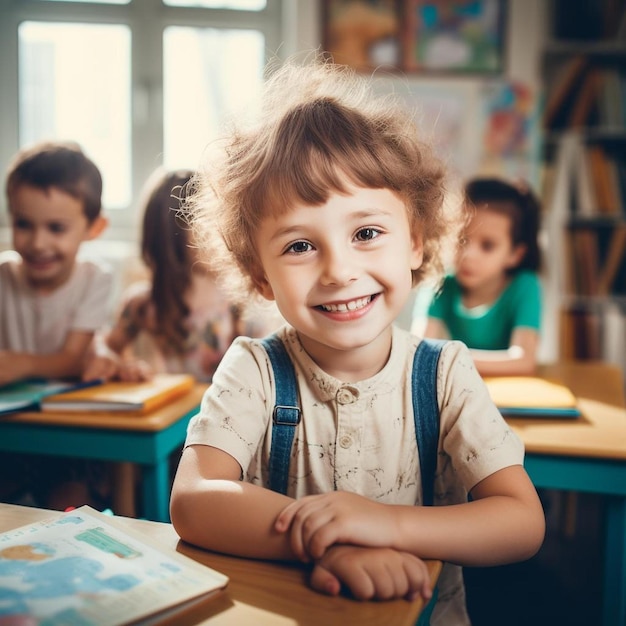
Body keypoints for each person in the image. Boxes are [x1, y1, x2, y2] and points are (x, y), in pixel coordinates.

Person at [169, 56, 545, 625]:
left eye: (366, 233)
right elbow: (194, 501)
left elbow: (521, 522)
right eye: (299, 245)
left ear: (416, 242)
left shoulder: (443, 374)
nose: (339, 270)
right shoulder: (255, 368)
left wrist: (386, 525)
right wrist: (332, 542)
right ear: (260, 274)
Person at [82, 167, 280, 385]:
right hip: (172, 413)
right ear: (171, 234)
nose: (225, 233)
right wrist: (122, 367)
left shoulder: (241, 301)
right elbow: (103, 351)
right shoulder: (143, 304)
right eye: (211, 222)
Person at [0, 140, 112, 509]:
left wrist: (20, 364)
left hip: (71, 439)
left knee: (69, 509)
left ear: (94, 227)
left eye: (56, 228)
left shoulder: (95, 279)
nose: (37, 242)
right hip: (11, 434)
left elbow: (71, 359)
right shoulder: (3, 275)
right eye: (23, 224)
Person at [413, 177, 543, 377]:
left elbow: (524, 361)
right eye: (462, 239)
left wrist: (449, 358)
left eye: (487, 245)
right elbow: (418, 351)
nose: (468, 255)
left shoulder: (526, 286)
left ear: (515, 255)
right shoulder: (440, 283)